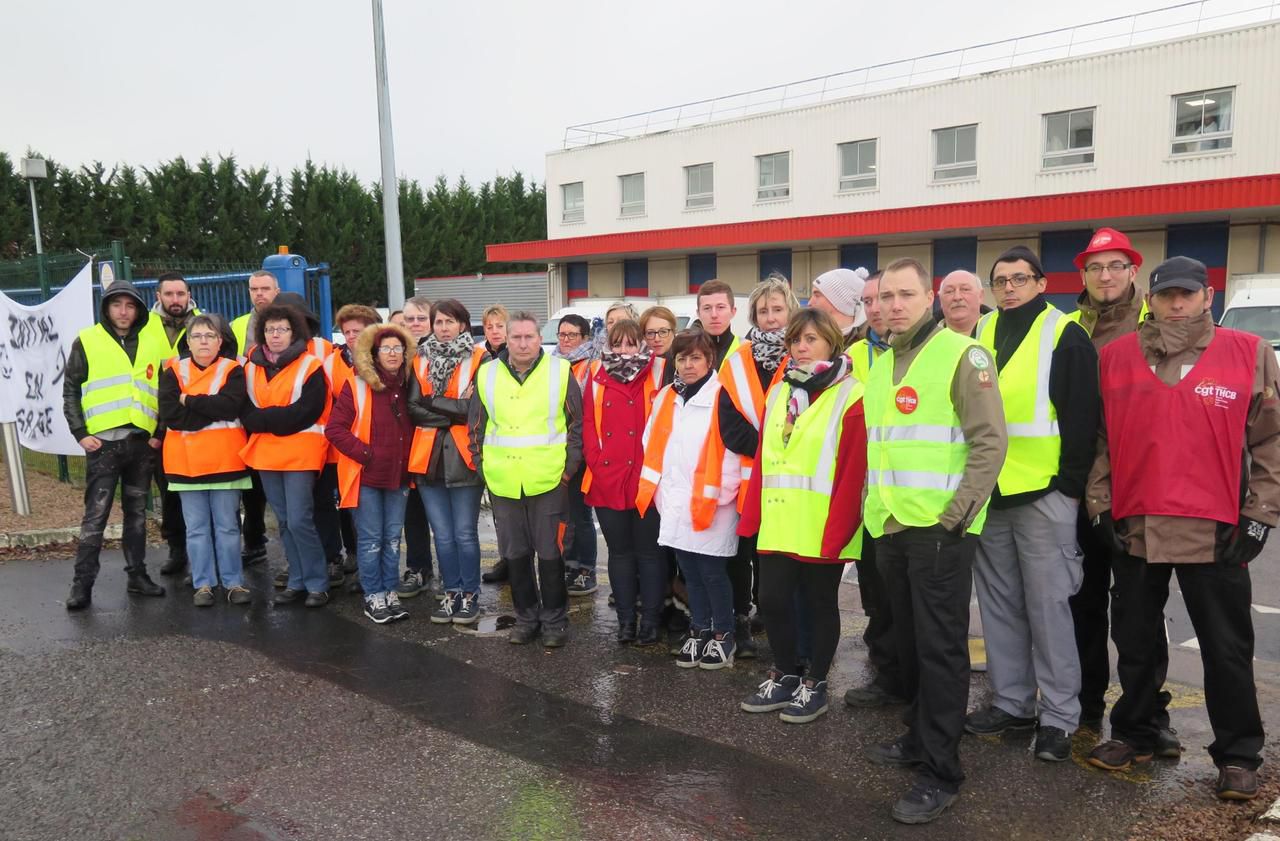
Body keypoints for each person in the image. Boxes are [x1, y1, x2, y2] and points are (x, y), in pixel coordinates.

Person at [1085, 256, 1280, 801]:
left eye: (1186, 295)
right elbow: (1100, 439)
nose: (1176, 304)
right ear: (1150, 297)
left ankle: (1238, 755)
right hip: (1137, 524)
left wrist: (1260, 515)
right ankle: (1136, 733)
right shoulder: (1118, 357)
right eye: (1166, 294)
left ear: (1207, 296)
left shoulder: (1249, 354)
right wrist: (1099, 504)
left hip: (1216, 529)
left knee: (1226, 647)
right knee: (1136, 642)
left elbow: (1270, 441)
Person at [862, 257, 1006, 825]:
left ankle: (941, 771)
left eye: (905, 294)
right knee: (911, 643)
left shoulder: (962, 354)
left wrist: (955, 517)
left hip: (940, 531)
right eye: (885, 296)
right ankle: (919, 738)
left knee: (942, 651)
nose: (894, 305)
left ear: (931, 298)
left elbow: (990, 443)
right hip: (892, 526)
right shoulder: (883, 363)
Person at [965, 246, 1099, 762]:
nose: (1009, 288)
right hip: (991, 493)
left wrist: (1068, 486)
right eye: (1000, 281)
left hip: (1044, 493)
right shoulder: (980, 333)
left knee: (1049, 608)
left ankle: (1060, 718)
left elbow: (1082, 418)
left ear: (1042, 283)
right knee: (999, 606)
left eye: (1019, 279)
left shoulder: (1065, 334)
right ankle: (1013, 703)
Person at [737, 309, 867, 723]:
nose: (802, 347)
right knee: (772, 602)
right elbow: (764, 459)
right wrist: (751, 514)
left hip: (821, 525)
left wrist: (839, 532)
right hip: (778, 521)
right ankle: (786, 672)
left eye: (812, 338)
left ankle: (816, 682)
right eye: (796, 340)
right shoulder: (780, 392)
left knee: (819, 605)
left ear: (832, 341)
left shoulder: (852, 394)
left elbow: (852, 471)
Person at [1064, 227, 1166, 737]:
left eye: (1115, 266)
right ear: (1083, 275)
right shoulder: (1068, 325)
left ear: (1133, 272)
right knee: (1084, 602)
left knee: (1140, 609)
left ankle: (1152, 714)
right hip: (1082, 488)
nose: (1105, 276)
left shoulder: (1157, 320)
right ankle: (1086, 706)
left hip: (1137, 485)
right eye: (1095, 267)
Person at [469, 312, 582, 647]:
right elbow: (476, 426)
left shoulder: (561, 372)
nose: (522, 343)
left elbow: (577, 426)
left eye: (529, 337)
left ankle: (554, 622)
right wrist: (483, 467)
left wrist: (567, 471)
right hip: (503, 480)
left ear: (538, 338)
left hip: (548, 480)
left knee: (549, 553)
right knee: (515, 553)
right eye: (516, 337)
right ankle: (526, 618)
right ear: (507, 338)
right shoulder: (487, 374)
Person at [638, 328, 744, 670]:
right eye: (681, 358)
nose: (688, 365)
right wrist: (664, 493)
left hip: (713, 503)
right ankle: (699, 629)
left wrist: (720, 493)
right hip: (676, 502)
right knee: (690, 573)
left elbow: (733, 452)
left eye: (695, 357)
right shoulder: (667, 396)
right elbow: (651, 443)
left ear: (710, 360)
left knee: (713, 573)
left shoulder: (722, 396)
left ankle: (723, 636)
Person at [62, 279, 167, 610]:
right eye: (117, 305)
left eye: (130, 305)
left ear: (138, 310)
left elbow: (165, 390)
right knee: (96, 516)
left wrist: (158, 432)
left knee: (137, 515)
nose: (124, 311)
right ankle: (82, 585)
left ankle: (137, 576)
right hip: (103, 445)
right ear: (106, 308)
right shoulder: (88, 341)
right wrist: (79, 432)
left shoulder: (151, 342)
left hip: (140, 444)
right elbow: (70, 390)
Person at [717, 274, 801, 657]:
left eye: (778, 309)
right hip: (744, 483)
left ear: (791, 311)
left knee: (775, 559)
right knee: (739, 556)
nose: (771, 318)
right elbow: (729, 424)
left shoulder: (805, 356)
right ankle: (740, 622)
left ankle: (771, 614)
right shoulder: (736, 361)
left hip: (788, 484)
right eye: (763, 311)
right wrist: (768, 450)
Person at [158, 314, 253, 607]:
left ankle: (233, 583)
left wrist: (190, 401)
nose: (203, 341)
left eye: (210, 336)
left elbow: (230, 405)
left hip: (226, 463)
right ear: (187, 342)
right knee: (197, 528)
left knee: (227, 526)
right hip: (185, 464)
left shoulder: (233, 370)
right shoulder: (173, 371)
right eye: (197, 336)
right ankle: (204, 584)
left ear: (220, 341)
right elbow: (171, 414)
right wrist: (209, 409)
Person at [582, 318, 668, 644]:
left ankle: (650, 621)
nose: (623, 350)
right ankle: (626, 621)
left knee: (649, 554)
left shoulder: (660, 371)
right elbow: (588, 423)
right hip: (609, 477)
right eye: (617, 343)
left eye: (630, 343)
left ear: (641, 344)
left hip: (647, 479)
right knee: (619, 554)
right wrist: (597, 463)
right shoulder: (594, 374)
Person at [240, 304, 331, 607]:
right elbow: (244, 411)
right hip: (266, 454)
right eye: (269, 329)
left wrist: (267, 420)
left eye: (282, 329)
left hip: (299, 453)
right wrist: (269, 420)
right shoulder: (250, 367)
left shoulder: (310, 365)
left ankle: (317, 583)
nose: (275, 335)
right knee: (283, 520)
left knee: (300, 519)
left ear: (294, 333)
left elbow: (308, 411)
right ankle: (297, 581)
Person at [842, 269, 905, 709]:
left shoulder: (928, 351)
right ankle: (887, 676)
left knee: (913, 600)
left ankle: (913, 681)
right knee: (876, 593)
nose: (876, 307)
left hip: (916, 499)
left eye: (882, 298)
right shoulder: (853, 356)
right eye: (866, 301)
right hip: (868, 496)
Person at [327, 322, 415, 624]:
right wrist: (367, 454)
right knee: (370, 539)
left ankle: (389, 591)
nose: (392, 353)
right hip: (366, 477)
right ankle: (373, 595)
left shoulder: (407, 387)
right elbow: (334, 429)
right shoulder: (357, 385)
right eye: (386, 348)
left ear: (405, 353)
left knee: (392, 539)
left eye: (397, 348)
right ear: (374, 353)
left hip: (400, 476)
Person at [408, 299, 488, 625]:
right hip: (428, 460)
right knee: (442, 535)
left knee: (465, 533)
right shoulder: (420, 359)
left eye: (449, 322)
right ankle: (451, 592)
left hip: (464, 458)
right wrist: (450, 410)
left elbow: (475, 410)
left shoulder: (481, 359)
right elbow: (414, 406)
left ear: (463, 326)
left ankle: (470, 594)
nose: (443, 328)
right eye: (438, 322)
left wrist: (435, 403)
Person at [145, 271, 199, 578]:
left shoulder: (204, 323)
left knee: (200, 490)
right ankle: (177, 549)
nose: (176, 300)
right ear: (158, 296)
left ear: (189, 294)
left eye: (181, 294)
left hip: (196, 422)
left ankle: (204, 552)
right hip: (156, 424)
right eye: (169, 294)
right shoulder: (145, 326)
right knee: (168, 491)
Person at [327, 304, 384, 592]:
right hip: (346, 451)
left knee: (379, 522)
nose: (350, 336)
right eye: (346, 331)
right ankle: (359, 565)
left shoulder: (387, 360)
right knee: (353, 513)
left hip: (380, 452)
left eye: (357, 331)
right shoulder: (333, 362)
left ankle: (379, 577)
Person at [232, 270, 280, 570]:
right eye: (254, 289)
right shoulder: (238, 325)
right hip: (247, 412)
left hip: (282, 415)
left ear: (276, 290)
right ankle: (253, 539)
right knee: (250, 483)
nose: (259, 294)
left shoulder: (290, 322)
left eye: (265, 288)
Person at [552, 312, 599, 596]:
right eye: (562, 334)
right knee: (563, 514)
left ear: (584, 338)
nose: (566, 340)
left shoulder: (591, 365)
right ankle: (569, 564)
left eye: (572, 335)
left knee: (581, 514)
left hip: (580, 449)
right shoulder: (551, 364)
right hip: (556, 450)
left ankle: (586, 569)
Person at [395, 296, 437, 598]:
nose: (415, 324)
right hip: (402, 446)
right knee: (413, 513)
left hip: (436, 445)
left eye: (421, 318)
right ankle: (419, 568)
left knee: (447, 520)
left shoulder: (444, 354)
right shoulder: (394, 354)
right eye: (409, 319)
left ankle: (457, 579)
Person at [479, 304, 514, 585]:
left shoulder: (513, 358)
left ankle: (516, 562)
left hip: (515, 449)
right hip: (493, 450)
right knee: (500, 514)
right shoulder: (482, 358)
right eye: (489, 326)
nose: (493, 331)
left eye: (499, 326)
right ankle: (508, 560)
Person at [808, 267, 868, 348]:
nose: (809, 303)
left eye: (817, 295)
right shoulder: (808, 336)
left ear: (839, 300)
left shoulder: (869, 343)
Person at [639, 305, 678, 386]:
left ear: (674, 332)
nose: (657, 339)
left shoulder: (684, 365)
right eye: (650, 333)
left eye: (663, 332)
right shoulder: (636, 367)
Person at [938, 270, 985, 337]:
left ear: (981, 296)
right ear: (940, 300)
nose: (957, 297)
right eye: (949, 291)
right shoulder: (926, 340)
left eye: (965, 289)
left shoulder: (1000, 334)